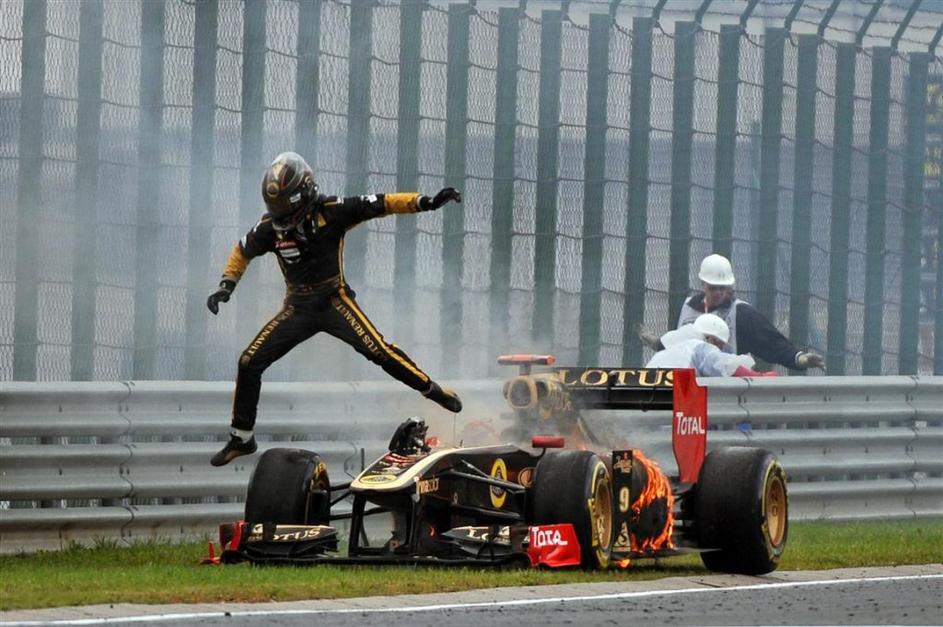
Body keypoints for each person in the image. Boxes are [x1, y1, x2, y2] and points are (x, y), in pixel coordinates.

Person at [206, 151, 463, 467]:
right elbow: (241, 251)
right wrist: (225, 285)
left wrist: (426, 202)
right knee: (249, 362)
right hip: (297, 307)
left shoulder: (334, 210)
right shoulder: (269, 228)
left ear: (306, 193)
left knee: (378, 351)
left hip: (333, 301)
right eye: (276, 210)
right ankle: (242, 438)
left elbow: (383, 203)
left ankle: (431, 389)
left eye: (287, 209)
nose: (282, 218)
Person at [640, 253, 824, 371]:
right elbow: (680, 347)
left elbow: (770, 342)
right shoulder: (688, 308)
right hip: (687, 388)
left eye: (724, 287)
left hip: (723, 388)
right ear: (703, 284)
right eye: (713, 288)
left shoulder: (741, 314)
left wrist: (798, 358)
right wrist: (660, 344)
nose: (719, 292)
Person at [645, 313, 769, 377]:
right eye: (719, 345)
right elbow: (726, 366)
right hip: (671, 407)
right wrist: (759, 376)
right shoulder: (699, 347)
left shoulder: (665, 353)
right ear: (711, 339)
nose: (718, 350)